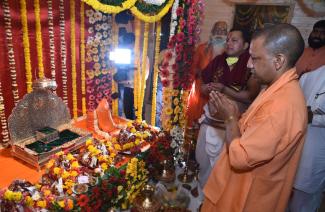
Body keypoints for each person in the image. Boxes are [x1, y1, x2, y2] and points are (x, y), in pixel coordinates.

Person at [201, 24, 307, 212]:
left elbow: (239, 158)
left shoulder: (281, 105)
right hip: (236, 187)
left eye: (255, 58)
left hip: (246, 198)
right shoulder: (278, 89)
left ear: (278, 61)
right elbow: (255, 130)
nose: (249, 64)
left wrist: (230, 118)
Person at [195, 28, 260, 189]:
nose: (229, 43)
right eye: (228, 39)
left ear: (245, 45)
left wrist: (224, 90)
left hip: (230, 128)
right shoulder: (218, 60)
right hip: (209, 121)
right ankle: (201, 195)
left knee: (220, 169)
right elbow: (202, 85)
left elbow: (251, 95)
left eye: (234, 40)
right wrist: (206, 88)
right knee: (201, 161)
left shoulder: (251, 64)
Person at [186, 21, 228, 127]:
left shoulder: (229, 52)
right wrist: (200, 72)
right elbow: (192, 68)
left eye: (223, 31)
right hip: (200, 92)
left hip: (219, 92)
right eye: (217, 30)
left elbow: (231, 69)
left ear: (227, 34)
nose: (220, 33)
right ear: (213, 32)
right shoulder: (201, 48)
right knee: (196, 120)